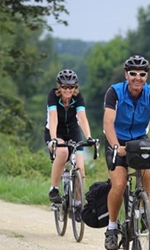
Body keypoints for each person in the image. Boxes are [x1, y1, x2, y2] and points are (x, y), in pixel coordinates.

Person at [103, 55, 150, 249]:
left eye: (142, 74)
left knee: (148, 171)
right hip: (117, 141)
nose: (137, 78)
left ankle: (142, 212)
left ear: (146, 76)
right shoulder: (114, 92)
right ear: (126, 75)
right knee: (119, 183)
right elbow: (108, 122)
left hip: (140, 140)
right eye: (133, 74)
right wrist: (116, 146)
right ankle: (112, 228)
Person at [44, 69, 94, 208]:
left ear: (75, 87)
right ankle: (54, 189)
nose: (68, 90)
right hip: (55, 132)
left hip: (73, 132)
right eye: (65, 87)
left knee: (80, 168)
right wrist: (54, 139)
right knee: (63, 152)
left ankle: (78, 203)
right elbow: (53, 118)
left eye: (71, 87)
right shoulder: (53, 96)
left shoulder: (78, 98)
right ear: (59, 87)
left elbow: (82, 118)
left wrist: (89, 136)